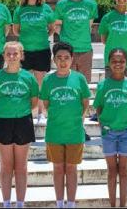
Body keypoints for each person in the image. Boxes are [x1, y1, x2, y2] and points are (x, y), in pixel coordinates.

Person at [0, 41, 39, 209]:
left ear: (21, 55)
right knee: (6, 165)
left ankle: (20, 204)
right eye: (8, 54)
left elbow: (33, 102)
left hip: (23, 121)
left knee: (21, 166)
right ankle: (7, 203)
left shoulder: (29, 78)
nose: (11, 57)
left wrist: (18, 109)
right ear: (3, 56)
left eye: (15, 53)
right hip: (3, 122)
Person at [39, 42, 91, 209]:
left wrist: (78, 119)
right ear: (54, 59)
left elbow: (85, 102)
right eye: (59, 58)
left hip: (74, 132)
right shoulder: (48, 80)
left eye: (66, 58)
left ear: (72, 59)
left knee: (71, 168)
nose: (63, 61)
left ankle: (71, 204)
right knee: (58, 168)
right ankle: (60, 203)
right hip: (54, 132)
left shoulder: (79, 78)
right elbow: (45, 104)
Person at [93, 48, 127, 208]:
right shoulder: (103, 85)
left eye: (121, 61)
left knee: (124, 170)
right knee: (112, 171)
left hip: (126, 132)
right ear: (109, 63)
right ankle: (113, 204)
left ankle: (123, 205)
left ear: (126, 63)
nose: (118, 64)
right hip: (109, 133)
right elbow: (98, 106)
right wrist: (103, 124)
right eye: (114, 61)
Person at [12, 0, 54, 125]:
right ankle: (27, 112)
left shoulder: (45, 8)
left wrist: (39, 37)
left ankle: (41, 113)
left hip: (42, 50)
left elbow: (51, 28)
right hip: (25, 51)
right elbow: (16, 30)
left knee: (40, 83)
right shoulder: (20, 10)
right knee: (25, 83)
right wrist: (28, 38)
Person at [53, 0, 98, 83]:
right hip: (67, 51)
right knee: (68, 84)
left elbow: (89, 25)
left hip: (85, 50)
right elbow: (57, 26)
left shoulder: (91, 4)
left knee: (84, 84)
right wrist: (67, 37)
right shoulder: (62, 4)